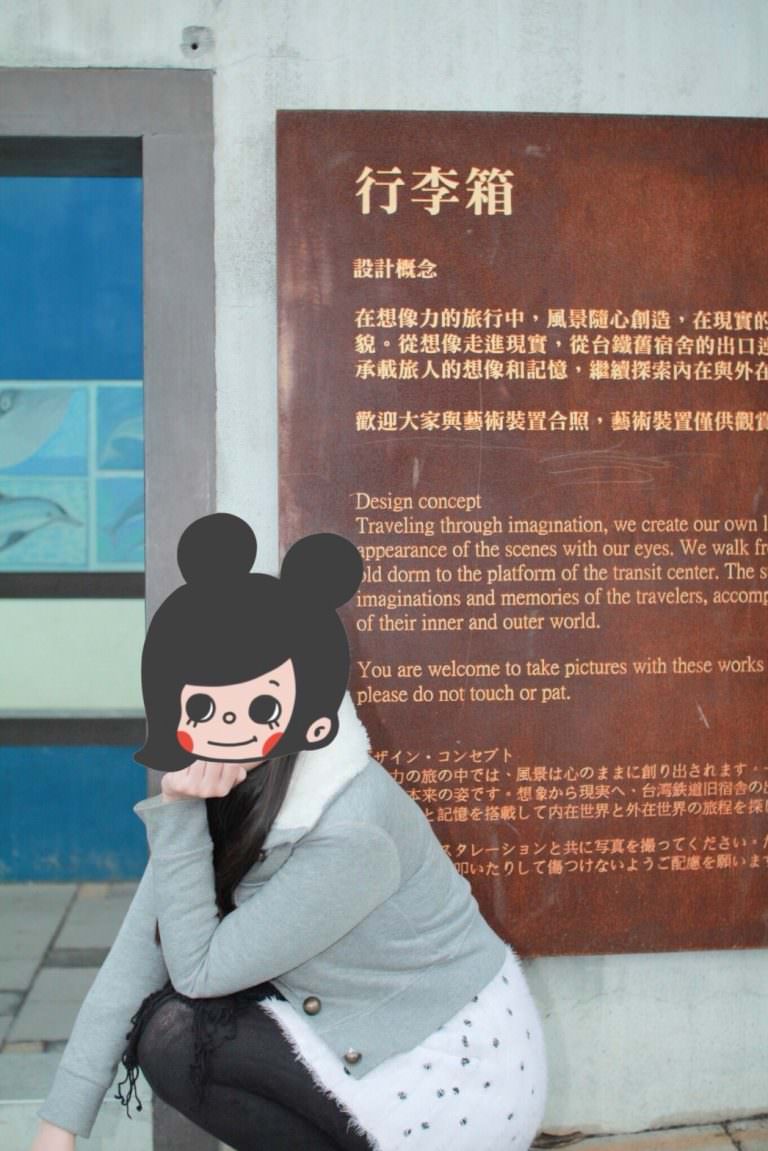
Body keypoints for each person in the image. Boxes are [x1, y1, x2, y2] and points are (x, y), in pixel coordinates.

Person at [31, 513, 547, 1151]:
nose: (228, 723)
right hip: (359, 1034)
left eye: (260, 704)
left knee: (178, 1034)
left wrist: (179, 814)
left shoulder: (353, 826)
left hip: (454, 1071)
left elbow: (196, 971)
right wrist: (57, 1129)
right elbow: (140, 951)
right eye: (202, 704)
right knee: (171, 1021)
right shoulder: (227, 780)